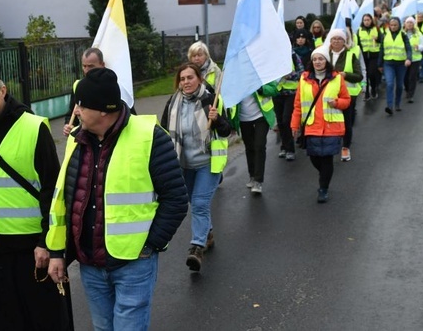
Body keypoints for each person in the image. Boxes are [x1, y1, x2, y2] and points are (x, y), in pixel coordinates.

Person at [47, 68, 188, 331]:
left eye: (81, 105)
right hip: (89, 262)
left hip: (133, 262)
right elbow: (66, 200)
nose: (76, 111)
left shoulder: (150, 137)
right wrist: (57, 252)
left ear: (102, 110)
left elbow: (177, 198)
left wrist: (150, 245)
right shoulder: (76, 139)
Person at [0, 54, 72, 330]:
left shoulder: (33, 127)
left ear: (3, 91)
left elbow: (53, 193)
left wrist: (48, 244)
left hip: (26, 250)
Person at [161, 63, 231, 272]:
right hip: (183, 164)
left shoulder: (211, 99)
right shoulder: (173, 102)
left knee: (200, 203)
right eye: (182, 79)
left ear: (199, 79)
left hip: (207, 162)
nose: (186, 82)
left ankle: (196, 247)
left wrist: (217, 119)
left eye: (190, 78)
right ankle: (207, 233)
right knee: (194, 202)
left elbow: (227, 130)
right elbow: (164, 132)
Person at [291, 47, 350, 203]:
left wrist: (337, 102)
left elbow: (346, 100)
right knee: (315, 158)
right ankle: (324, 175)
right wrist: (294, 125)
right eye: (315, 59)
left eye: (321, 59)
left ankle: (323, 188)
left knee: (327, 159)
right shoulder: (304, 79)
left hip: (332, 126)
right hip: (312, 126)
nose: (318, 62)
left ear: (327, 61)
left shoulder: (337, 78)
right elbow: (298, 104)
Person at [231, 81, 278, 195]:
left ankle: (258, 180)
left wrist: (260, 88)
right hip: (243, 118)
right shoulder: (235, 76)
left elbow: (274, 90)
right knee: (250, 147)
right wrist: (232, 123)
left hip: (261, 116)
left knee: (259, 145)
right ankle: (252, 176)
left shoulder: (261, 72)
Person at [328, 28, 362, 162]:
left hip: (347, 94)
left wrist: (346, 75)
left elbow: (359, 76)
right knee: (331, 119)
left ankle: (346, 147)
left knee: (346, 122)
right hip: (329, 94)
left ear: (344, 41)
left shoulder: (350, 55)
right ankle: (333, 144)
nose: (336, 41)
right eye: (334, 39)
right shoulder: (325, 55)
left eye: (339, 39)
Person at [63, 48, 106, 137]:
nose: (86, 70)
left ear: (102, 65)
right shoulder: (77, 86)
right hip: (84, 138)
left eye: (91, 66)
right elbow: (71, 113)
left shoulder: (111, 87)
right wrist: (68, 126)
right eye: (84, 66)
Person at [272, 51, 305, 161]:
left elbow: (302, 74)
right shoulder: (271, 56)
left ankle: (290, 149)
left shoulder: (293, 55)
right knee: (280, 122)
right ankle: (284, 146)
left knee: (287, 120)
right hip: (277, 93)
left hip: (291, 94)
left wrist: (289, 75)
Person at [379, 17, 413, 115]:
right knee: (389, 84)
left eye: (395, 25)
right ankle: (389, 106)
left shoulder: (403, 35)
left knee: (399, 85)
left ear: (399, 26)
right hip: (388, 63)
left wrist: (408, 59)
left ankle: (397, 103)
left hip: (401, 64)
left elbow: (408, 49)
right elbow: (382, 50)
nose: (393, 27)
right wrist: (379, 64)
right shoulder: (385, 34)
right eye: (391, 25)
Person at [356, 13, 381, 101]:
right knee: (364, 75)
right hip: (363, 55)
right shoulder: (359, 30)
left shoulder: (376, 29)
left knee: (371, 73)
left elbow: (382, 40)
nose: (366, 22)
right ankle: (366, 92)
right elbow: (358, 43)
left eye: (368, 20)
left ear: (371, 21)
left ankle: (373, 88)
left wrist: (377, 39)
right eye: (365, 20)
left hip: (374, 55)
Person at [403, 17, 423, 103]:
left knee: (412, 77)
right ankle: (408, 89)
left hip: (415, 59)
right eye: (408, 23)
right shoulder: (402, 34)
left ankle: (411, 95)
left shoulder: (418, 34)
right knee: (405, 78)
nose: (409, 24)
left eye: (411, 23)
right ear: (405, 24)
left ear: (414, 24)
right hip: (404, 59)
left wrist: (418, 47)